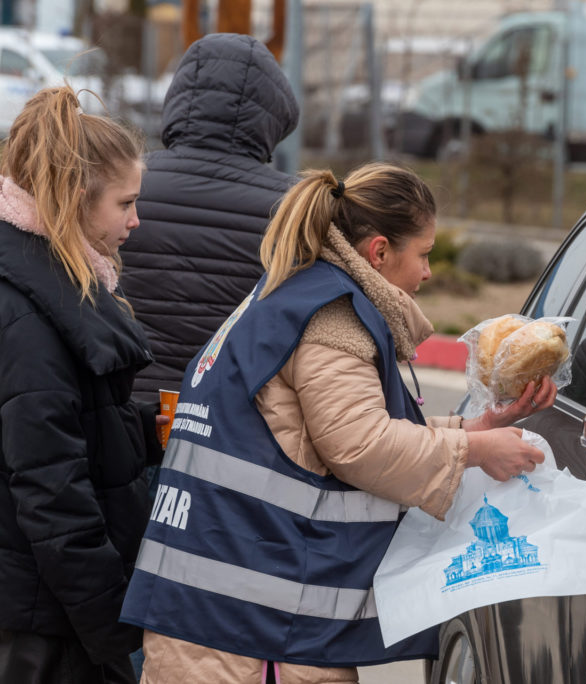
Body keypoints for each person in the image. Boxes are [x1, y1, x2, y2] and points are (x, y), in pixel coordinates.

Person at [120, 162, 557, 683]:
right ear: (378, 252)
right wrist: (477, 453)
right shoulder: (332, 319)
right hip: (252, 628)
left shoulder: (296, 294)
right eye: (422, 254)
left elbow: (331, 432)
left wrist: (473, 429)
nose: (428, 272)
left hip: (220, 606)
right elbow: (360, 445)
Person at [0, 85, 162, 683]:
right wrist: (111, 627)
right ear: (74, 199)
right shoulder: (31, 314)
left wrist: (147, 431)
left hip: (46, 602)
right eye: (126, 203)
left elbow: (70, 426)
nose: (135, 221)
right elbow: (51, 490)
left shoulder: (43, 284)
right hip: (51, 611)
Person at [119, 32, 300, 403]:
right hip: (228, 426)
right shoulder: (295, 207)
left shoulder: (124, 185)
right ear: (274, 113)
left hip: (124, 413)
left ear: (179, 98)